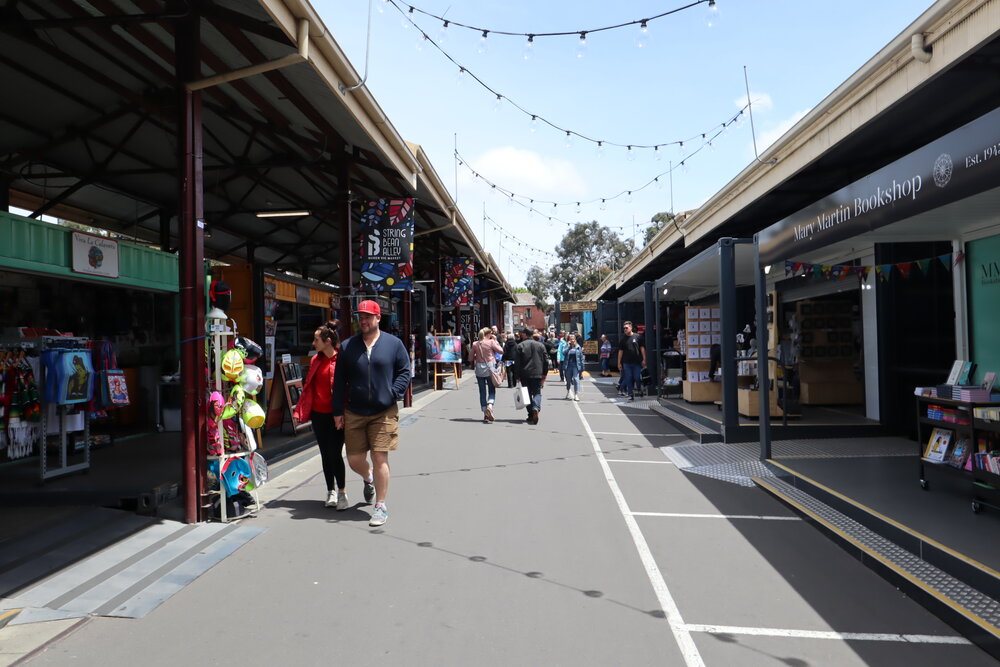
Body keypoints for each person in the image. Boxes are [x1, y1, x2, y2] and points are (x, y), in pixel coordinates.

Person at [332, 300, 411, 527]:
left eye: (367, 316)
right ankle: (368, 478)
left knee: (379, 457)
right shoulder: (348, 346)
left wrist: (392, 393)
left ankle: (380, 505)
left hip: (383, 411)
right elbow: (339, 381)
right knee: (354, 459)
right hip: (354, 411)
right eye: (361, 317)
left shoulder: (394, 344)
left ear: (378, 318)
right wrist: (337, 411)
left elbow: (405, 372)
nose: (363, 321)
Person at [294, 320, 348, 510]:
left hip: (337, 415)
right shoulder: (315, 360)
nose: (313, 343)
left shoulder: (342, 359)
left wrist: (344, 411)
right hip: (318, 414)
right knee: (325, 453)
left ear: (327, 341)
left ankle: (342, 492)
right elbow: (308, 388)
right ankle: (330, 490)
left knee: (335, 453)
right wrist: (300, 410)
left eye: (316, 339)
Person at [515, 327, 548, 424]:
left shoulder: (520, 345)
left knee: (527, 394)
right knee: (537, 392)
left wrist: (517, 376)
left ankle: (530, 414)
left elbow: (517, 363)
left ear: (525, 334)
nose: (521, 335)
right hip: (537, 372)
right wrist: (544, 373)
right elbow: (546, 360)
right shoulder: (540, 345)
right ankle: (535, 408)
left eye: (522, 333)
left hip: (524, 373)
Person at [472, 327, 503, 423]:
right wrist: (495, 341)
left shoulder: (475, 344)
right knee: (491, 390)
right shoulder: (491, 342)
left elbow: (470, 357)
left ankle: (485, 412)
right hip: (490, 368)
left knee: (482, 391)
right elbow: (501, 351)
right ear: (488, 334)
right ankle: (490, 405)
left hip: (479, 369)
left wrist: (476, 356)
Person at [616, 320, 647, 402]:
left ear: (631, 328)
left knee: (637, 378)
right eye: (624, 328)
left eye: (626, 328)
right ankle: (630, 395)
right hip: (626, 363)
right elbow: (620, 352)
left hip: (637, 362)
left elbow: (642, 349)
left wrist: (644, 359)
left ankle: (639, 389)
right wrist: (619, 363)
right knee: (628, 378)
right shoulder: (623, 339)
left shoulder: (638, 337)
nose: (625, 329)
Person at [564, 334, 584, 401]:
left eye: (573, 339)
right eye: (571, 339)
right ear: (569, 340)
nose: (572, 340)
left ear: (575, 340)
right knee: (568, 380)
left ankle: (576, 395)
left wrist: (582, 368)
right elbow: (564, 353)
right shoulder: (567, 346)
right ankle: (568, 391)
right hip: (568, 365)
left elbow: (581, 357)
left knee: (576, 379)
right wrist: (569, 347)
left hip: (576, 365)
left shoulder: (578, 347)